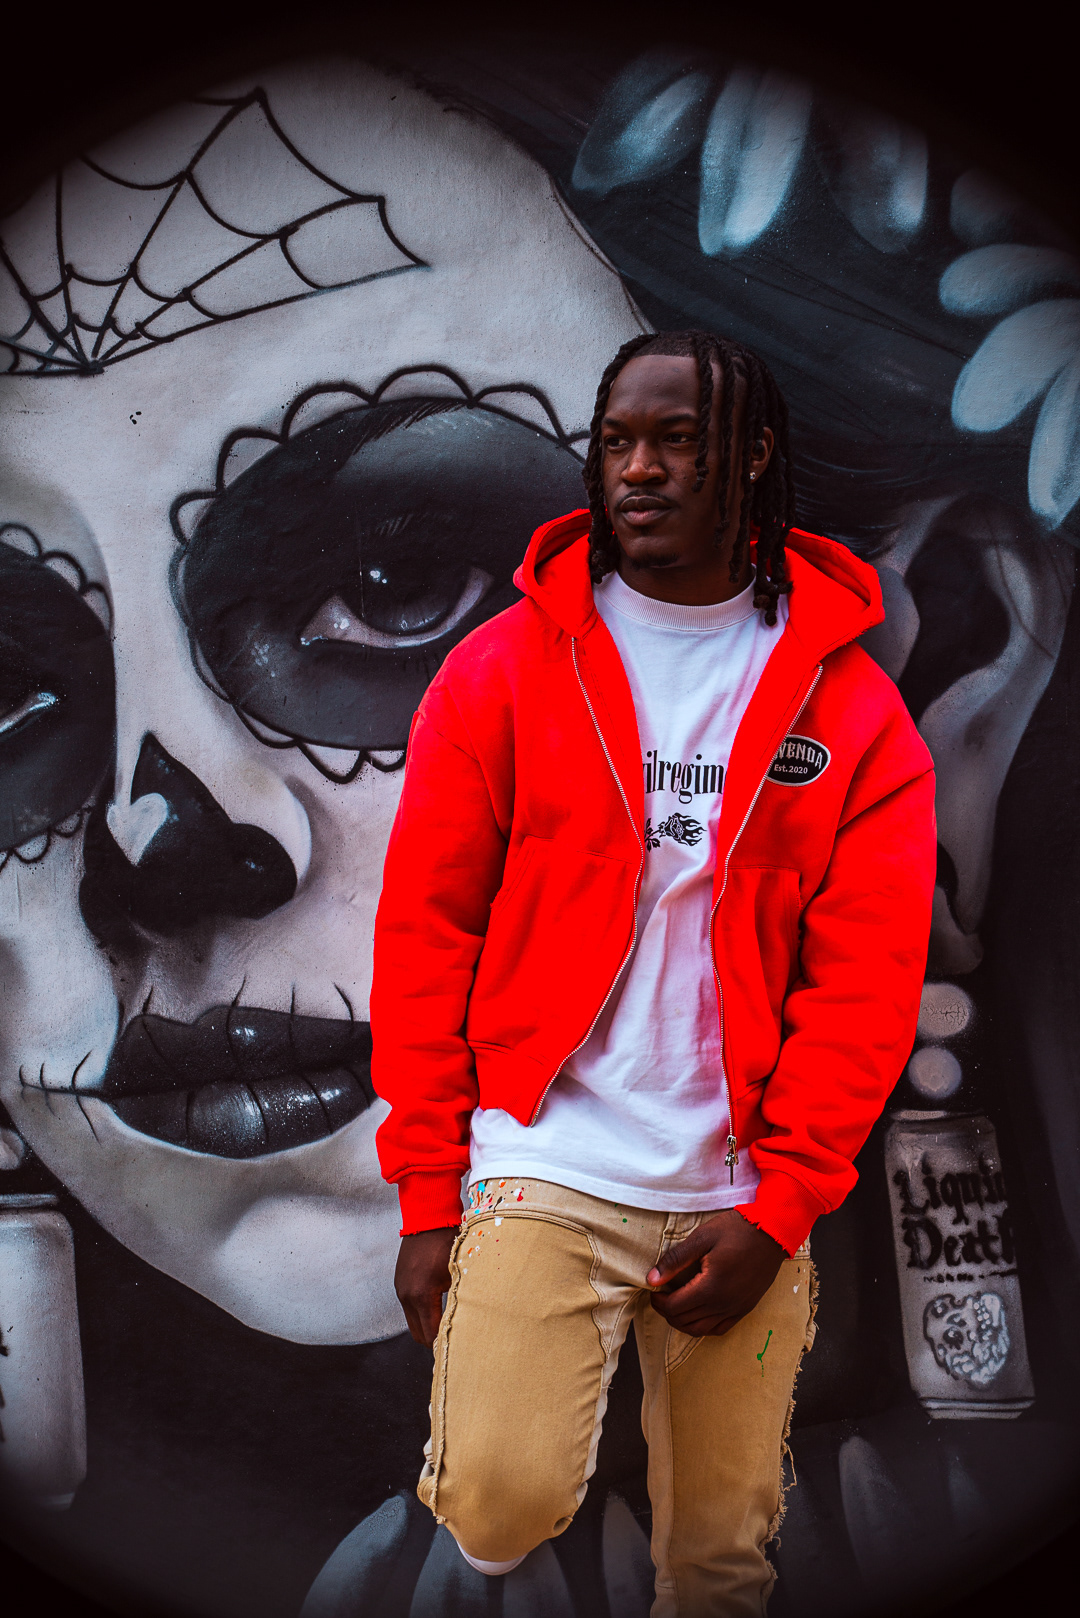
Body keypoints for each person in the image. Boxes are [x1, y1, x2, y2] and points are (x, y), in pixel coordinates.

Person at [371, 327, 937, 1614]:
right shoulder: (501, 671)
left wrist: (782, 1205)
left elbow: (866, 981)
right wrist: (426, 1190)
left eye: (677, 441)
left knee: (719, 1560)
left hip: (743, 1185)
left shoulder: (852, 710)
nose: (638, 469)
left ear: (754, 456)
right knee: (495, 1500)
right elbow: (424, 936)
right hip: (547, 1157)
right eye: (618, 441)